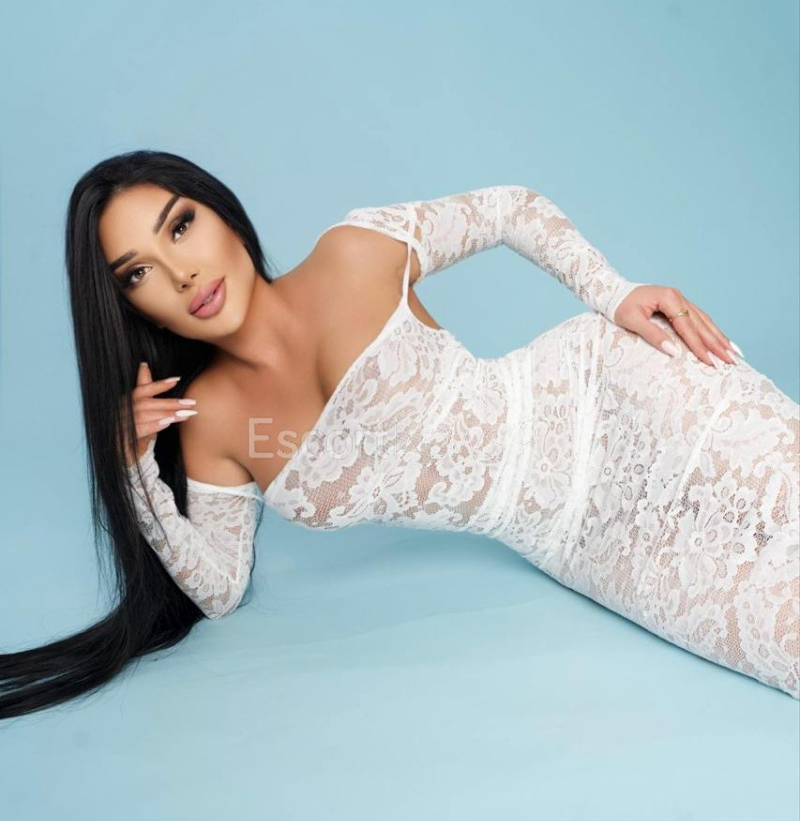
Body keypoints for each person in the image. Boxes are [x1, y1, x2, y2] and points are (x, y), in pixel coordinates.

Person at [1, 150, 797, 719]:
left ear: (221, 213)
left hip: (609, 393)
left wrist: (614, 294)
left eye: (181, 227)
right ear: (128, 307)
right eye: (138, 272)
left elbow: (509, 209)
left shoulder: (351, 254)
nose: (181, 274)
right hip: (572, 538)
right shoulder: (211, 420)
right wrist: (136, 467)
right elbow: (219, 589)